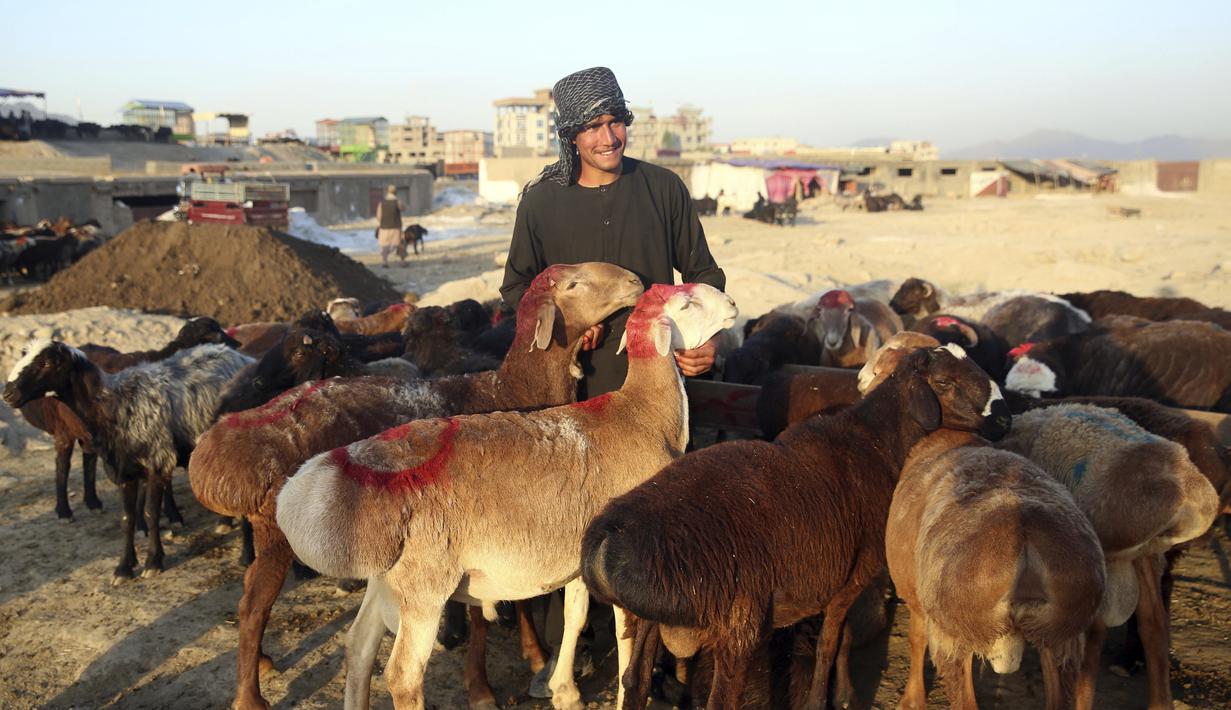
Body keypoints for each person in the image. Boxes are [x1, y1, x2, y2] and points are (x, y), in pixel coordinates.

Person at [500, 66, 726, 399]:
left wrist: (709, 338)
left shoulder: (664, 188)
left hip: (655, 383)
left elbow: (703, 274)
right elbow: (517, 286)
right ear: (571, 135)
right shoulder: (540, 202)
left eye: (615, 122)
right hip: (573, 394)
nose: (609, 139)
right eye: (593, 127)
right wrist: (567, 324)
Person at [374, 184, 405, 267]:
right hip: (396, 226)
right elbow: (402, 208)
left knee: (385, 246)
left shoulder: (382, 203)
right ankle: (402, 262)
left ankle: (385, 262)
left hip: (384, 227)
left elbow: (378, 216)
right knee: (400, 244)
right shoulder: (397, 201)